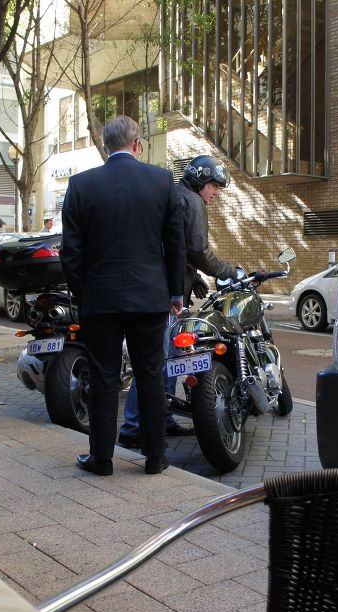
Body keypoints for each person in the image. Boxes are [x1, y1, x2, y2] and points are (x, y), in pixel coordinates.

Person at [60, 115, 185, 476]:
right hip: (149, 296)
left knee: (104, 377)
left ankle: (101, 458)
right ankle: (155, 456)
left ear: (105, 147)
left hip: (100, 299)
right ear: (137, 144)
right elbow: (175, 243)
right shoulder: (162, 181)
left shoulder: (81, 185)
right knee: (150, 373)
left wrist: (83, 292)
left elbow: (71, 251)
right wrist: (175, 292)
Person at [118, 155, 238, 449]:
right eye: (214, 185)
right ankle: (133, 426)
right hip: (163, 297)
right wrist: (228, 271)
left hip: (160, 290)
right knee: (156, 363)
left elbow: (174, 247)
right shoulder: (192, 201)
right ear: (200, 180)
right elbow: (198, 249)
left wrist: (192, 277)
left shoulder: (176, 195)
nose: (216, 192)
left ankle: (163, 418)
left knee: (168, 361)